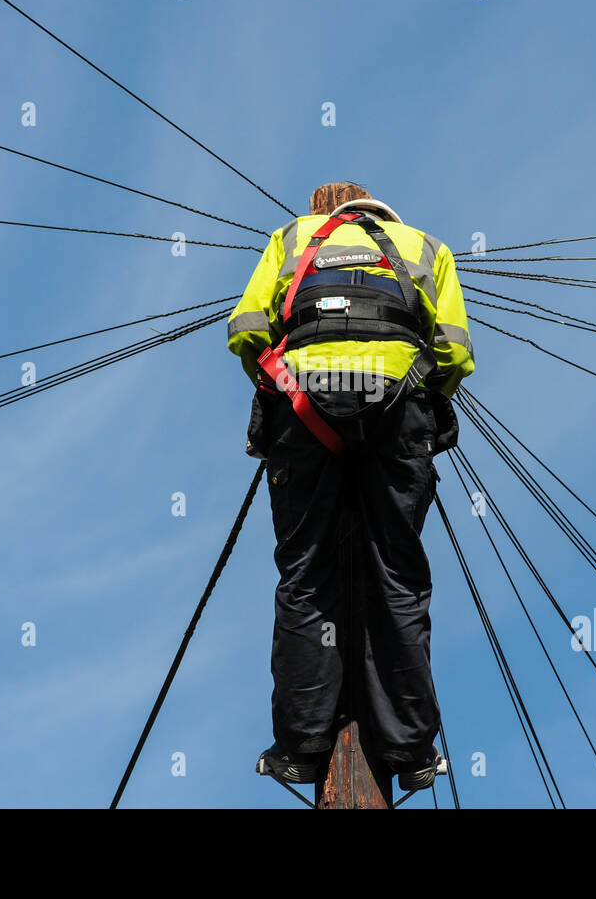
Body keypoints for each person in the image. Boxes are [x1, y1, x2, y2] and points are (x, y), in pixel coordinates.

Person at [227, 182, 474, 791]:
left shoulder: (290, 238)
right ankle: (412, 751)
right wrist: (415, 394)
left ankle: (301, 748)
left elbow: (247, 331)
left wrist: (282, 391)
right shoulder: (425, 247)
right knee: (397, 576)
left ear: (324, 215)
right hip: (398, 404)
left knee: (307, 575)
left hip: (305, 401)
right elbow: (455, 353)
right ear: (380, 211)